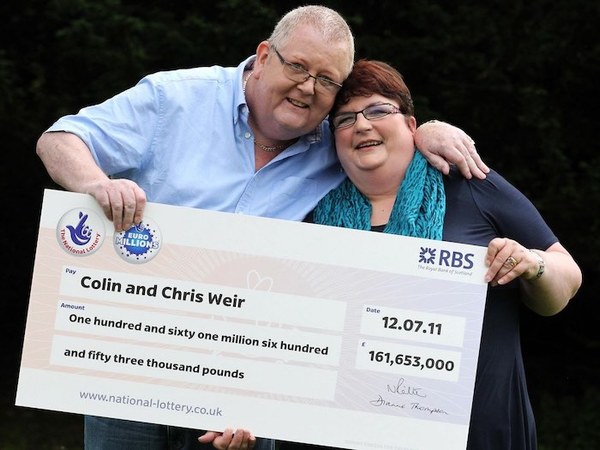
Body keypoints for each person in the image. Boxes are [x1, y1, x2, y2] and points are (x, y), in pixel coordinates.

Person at [35, 6, 489, 450]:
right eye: (298, 66)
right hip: (130, 369)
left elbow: (379, 132)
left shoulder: (334, 142)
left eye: (327, 80)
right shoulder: (173, 99)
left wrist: (426, 130)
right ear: (265, 55)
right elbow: (60, 140)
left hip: (245, 388)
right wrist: (96, 182)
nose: (308, 88)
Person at [296, 59, 582, 450]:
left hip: (481, 435)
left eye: (379, 110)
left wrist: (533, 264)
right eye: (344, 120)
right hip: (348, 437)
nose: (362, 125)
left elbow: (566, 278)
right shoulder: (309, 215)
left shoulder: (471, 183)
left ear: (412, 126)